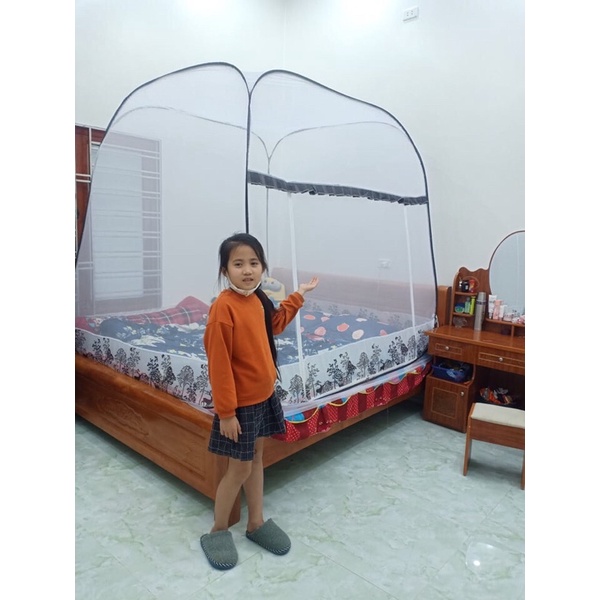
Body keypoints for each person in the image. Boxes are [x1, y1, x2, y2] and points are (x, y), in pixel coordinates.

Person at [200, 232, 319, 570]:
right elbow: (219, 365)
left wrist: (298, 296)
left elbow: (274, 325)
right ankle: (218, 530)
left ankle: (256, 523)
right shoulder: (223, 308)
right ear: (225, 270)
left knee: (256, 460)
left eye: (254, 263)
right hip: (239, 406)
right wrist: (226, 413)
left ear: (263, 267)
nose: (247, 270)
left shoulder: (257, 299)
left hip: (263, 397)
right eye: (238, 264)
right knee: (238, 467)